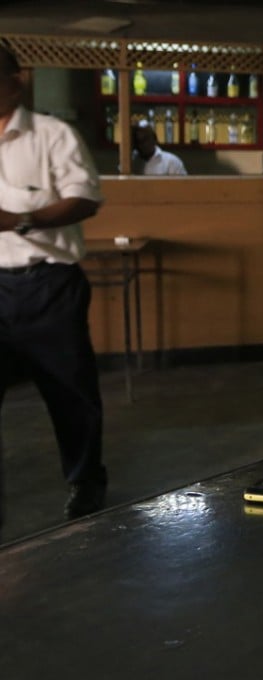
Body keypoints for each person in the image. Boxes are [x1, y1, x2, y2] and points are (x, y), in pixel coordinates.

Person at [0, 44, 107, 523]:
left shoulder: (52, 135)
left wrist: (20, 219)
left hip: (48, 285)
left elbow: (84, 199)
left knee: (69, 392)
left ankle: (85, 482)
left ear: (15, 80)